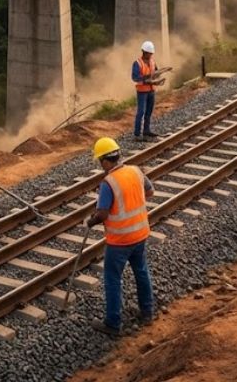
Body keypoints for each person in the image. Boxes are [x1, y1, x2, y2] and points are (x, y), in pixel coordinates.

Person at [87, 137, 155, 336]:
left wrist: (90, 222)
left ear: (106, 161)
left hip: (120, 241)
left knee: (112, 279)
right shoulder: (135, 171)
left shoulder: (108, 182)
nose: (101, 166)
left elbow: (102, 214)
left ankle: (113, 323)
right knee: (141, 271)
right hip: (140, 234)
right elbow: (150, 192)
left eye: (100, 162)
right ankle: (147, 311)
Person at [132, 40, 165, 139]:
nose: (150, 55)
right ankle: (137, 134)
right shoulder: (137, 63)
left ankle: (146, 130)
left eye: (151, 53)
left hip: (151, 91)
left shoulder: (152, 61)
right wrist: (147, 79)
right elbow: (135, 77)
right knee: (141, 112)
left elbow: (156, 73)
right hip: (142, 92)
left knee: (149, 111)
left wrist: (158, 78)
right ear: (144, 52)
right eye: (149, 53)